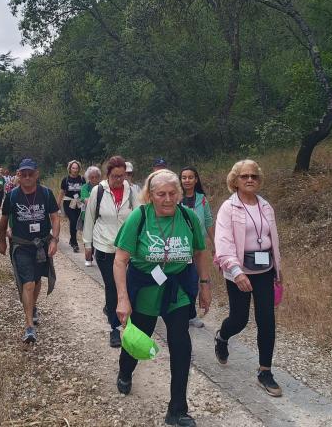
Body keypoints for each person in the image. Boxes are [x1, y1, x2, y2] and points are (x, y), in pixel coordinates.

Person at [114, 169, 211, 427]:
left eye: (172, 193)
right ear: (151, 195)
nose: (167, 199)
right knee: (138, 340)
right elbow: (120, 259)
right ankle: (125, 370)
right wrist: (122, 298)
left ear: (179, 194)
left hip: (177, 289)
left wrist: (204, 284)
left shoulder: (188, 217)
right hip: (145, 288)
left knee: (181, 344)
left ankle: (177, 409)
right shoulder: (140, 217)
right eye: (161, 194)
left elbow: (200, 252)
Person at [213, 159, 283, 397]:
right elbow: (223, 243)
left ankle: (265, 372)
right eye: (244, 176)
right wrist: (235, 271)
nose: (250, 180)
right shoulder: (228, 208)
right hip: (239, 272)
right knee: (239, 320)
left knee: (267, 320)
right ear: (235, 180)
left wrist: (278, 270)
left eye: (253, 176)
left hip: (264, 272)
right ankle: (222, 337)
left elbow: (272, 240)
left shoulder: (266, 206)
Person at [0, 158, 60, 344]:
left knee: (37, 279)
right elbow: (3, 221)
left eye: (30, 174)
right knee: (28, 284)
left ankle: (32, 307)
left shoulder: (47, 194)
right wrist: (2, 241)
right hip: (21, 245)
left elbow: (56, 218)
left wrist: (55, 240)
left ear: (36, 174)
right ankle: (29, 327)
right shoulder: (12, 196)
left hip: (41, 245)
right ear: (18, 174)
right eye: (23, 174)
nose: (27, 177)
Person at [84, 155, 139, 348]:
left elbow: (139, 217)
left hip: (126, 247)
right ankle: (114, 329)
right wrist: (87, 244)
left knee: (127, 285)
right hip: (104, 245)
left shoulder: (131, 192)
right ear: (108, 175)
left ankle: (120, 313)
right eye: (115, 176)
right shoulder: (98, 191)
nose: (119, 180)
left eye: (122, 176)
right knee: (112, 286)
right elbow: (90, 219)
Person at [179, 166, 214, 329]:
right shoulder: (175, 198)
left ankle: (191, 315)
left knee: (194, 281)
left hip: (198, 248)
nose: (187, 180)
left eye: (190, 177)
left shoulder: (202, 199)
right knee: (183, 281)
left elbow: (208, 221)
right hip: (180, 246)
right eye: (184, 177)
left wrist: (215, 244)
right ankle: (180, 314)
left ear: (196, 179)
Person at [59, 160, 86, 252]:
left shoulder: (82, 179)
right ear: (70, 169)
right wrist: (57, 205)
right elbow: (61, 193)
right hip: (68, 203)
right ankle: (74, 243)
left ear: (79, 169)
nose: (75, 170)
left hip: (79, 203)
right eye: (73, 168)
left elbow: (85, 192)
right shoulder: (65, 180)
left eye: (76, 168)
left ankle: (72, 239)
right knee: (73, 221)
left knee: (78, 221)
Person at [79, 165, 102, 266]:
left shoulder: (103, 187)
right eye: (92, 177)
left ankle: (97, 255)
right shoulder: (85, 187)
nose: (94, 179)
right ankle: (88, 256)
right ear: (88, 178)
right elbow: (86, 200)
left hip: (100, 217)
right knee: (88, 236)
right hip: (86, 215)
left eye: (96, 177)